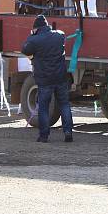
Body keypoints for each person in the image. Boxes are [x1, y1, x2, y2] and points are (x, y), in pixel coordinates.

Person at [21, 15, 74, 143]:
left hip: (44, 79)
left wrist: (32, 35)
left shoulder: (35, 40)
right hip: (60, 77)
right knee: (64, 104)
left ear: (36, 28)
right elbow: (62, 35)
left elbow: (24, 49)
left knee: (44, 107)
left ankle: (44, 136)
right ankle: (68, 132)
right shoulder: (59, 35)